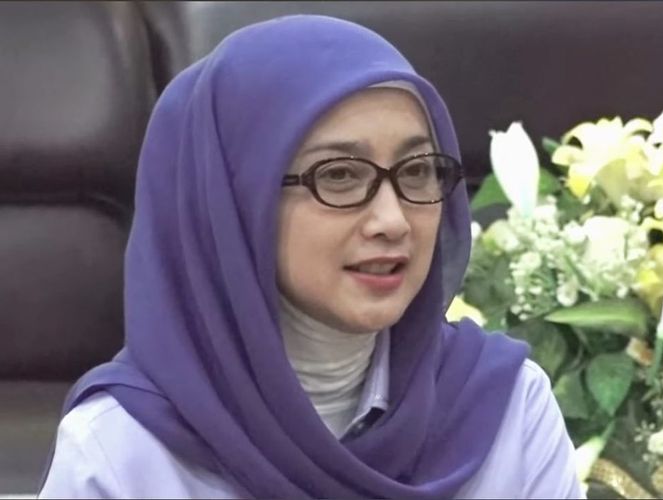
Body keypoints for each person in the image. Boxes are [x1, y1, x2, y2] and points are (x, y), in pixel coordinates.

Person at [38, 15, 583, 499]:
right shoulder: (125, 449)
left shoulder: (504, 409)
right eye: (339, 175)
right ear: (234, 204)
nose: (393, 220)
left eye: (417, 170)